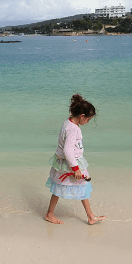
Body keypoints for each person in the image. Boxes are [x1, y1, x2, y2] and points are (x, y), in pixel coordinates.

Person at [44, 94, 106, 225]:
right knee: (81, 186)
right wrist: (76, 168)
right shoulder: (73, 129)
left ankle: (89, 216)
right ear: (82, 116)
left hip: (65, 161)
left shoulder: (68, 122)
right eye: (88, 120)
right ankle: (89, 217)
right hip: (71, 163)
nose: (87, 123)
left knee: (59, 187)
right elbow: (68, 150)